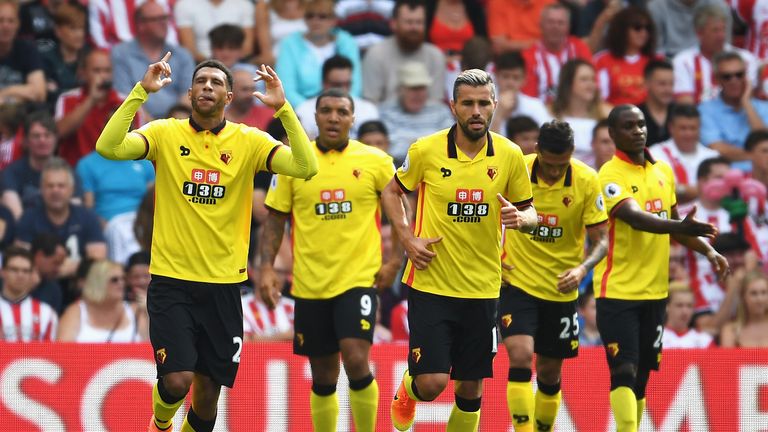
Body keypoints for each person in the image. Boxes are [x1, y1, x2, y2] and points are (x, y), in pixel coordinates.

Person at [95, 52, 318, 432]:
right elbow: (109, 147)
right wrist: (139, 93)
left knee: (206, 396)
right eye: (201, 81)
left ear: (229, 97)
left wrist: (283, 110)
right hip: (172, 281)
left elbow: (305, 167)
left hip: (224, 285)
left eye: (216, 82)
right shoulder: (165, 133)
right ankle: (161, 424)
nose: (208, 87)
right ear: (190, 90)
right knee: (177, 380)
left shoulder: (249, 141)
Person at [382, 69, 537, 432]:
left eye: (484, 103)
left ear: (495, 105)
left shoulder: (511, 155)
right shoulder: (425, 150)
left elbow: (530, 211)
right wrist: (407, 239)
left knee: (470, 386)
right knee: (432, 383)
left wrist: (522, 218)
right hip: (432, 283)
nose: (476, 111)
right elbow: (392, 191)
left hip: (483, 286)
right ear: (453, 107)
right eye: (468, 103)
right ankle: (408, 389)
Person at [260, 87, 401, 432]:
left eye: (342, 111)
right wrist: (266, 267)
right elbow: (276, 218)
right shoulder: (295, 163)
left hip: (358, 279)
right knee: (323, 373)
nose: (334, 117)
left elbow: (400, 212)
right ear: (316, 117)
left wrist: (394, 261)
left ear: (353, 118)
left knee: (355, 357)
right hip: (310, 284)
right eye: (327, 111)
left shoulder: (376, 161)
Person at [594, 104, 729, 431]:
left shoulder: (663, 171)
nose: (638, 130)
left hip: (656, 292)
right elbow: (637, 219)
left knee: (640, 376)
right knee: (623, 370)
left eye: (640, 124)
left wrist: (708, 251)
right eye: (628, 126)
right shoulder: (610, 175)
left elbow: (674, 223)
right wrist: (680, 227)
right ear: (613, 135)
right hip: (618, 291)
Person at [500, 120, 608, 432]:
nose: (553, 172)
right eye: (548, 164)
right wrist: (494, 258)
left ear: (572, 154)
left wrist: (582, 269)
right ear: (537, 151)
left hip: (561, 288)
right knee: (519, 355)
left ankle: (542, 428)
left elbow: (602, 238)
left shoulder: (586, 180)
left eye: (561, 166)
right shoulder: (516, 169)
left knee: (548, 373)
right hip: (517, 281)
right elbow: (487, 218)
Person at [16, 157, 107, 278]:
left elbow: (98, 261)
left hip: (79, 285)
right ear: (41, 189)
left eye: (61, 186)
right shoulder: (29, 218)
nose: (55, 190)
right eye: (50, 186)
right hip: (39, 284)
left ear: (72, 190)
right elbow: (22, 260)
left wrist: (56, 268)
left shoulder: (87, 217)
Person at [55, 49, 143, 167]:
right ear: (83, 73)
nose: (103, 76)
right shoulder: (68, 99)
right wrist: (91, 99)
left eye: (107, 71)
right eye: (97, 71)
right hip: (76, 173)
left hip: (115, 171)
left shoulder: (127, 102)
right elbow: (59, 132)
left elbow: (138, 143)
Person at [111, 1, 195, 120]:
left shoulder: (182, 55)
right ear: (141, 24)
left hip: (176, 125)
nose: (163, 23)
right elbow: (124, 97)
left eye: (165, 18)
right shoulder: (121, 54)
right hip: (138, 127)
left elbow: (188, 96)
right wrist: (152, 128)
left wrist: (171, 127)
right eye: (157, 19)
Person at [276, 0, 362, 107]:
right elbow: (286, 89)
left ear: (334, 20)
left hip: (343, 105)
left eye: (322, 16)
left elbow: (355, 85)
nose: (315, 21)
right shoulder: (290, 43)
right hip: (302, 108)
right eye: (310, 16)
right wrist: (310, 110)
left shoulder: (346, 41)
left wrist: (344, 106)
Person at [362, 0, 446, 104]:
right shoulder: (375, 54)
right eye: (409, 22)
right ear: (393, 24)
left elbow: (436, 102)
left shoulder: (435, 56)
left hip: (428, 118)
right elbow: (371, 102)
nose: (414, 28)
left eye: (419, 22)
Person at [672, 5, 757, 105]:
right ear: (699, 33)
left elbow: (750, 100)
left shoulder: (746, 59)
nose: (721, 36)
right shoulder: (683, 62)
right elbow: (685, 105)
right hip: (699, 118)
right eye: (715, 30)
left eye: (723, 29)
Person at [699, 52, 768, 170]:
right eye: (727, 76)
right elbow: (718, 149)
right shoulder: (705, 110)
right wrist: (758, 155)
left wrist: (746, 103)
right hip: (727, 177)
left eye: (739, 75)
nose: (734, 80)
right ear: (717, 79)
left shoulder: (764, 107)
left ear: (745, 76)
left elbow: (764, 141)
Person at [379, 61, 453, 164]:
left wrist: (411, 144)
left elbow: (450, 145)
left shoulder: (440, 111)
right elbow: (389, 149)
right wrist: (428, 145)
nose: (418, 94)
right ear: (400, 90)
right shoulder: (386, 112)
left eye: (422, 88)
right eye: (413, 88)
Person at [57, 259, 148, 342]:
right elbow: (64, 352)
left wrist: (148, 312)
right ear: (98, 282)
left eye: (123, 279)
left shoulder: (136, 312)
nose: (121, 283)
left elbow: (150, 349)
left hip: (130, 361)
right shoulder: (77, 312)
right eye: (114, 280)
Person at [521, 3, 592, 104]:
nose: (555, 27)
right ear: (541, 25)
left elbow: (592, 86)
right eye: (550, 22)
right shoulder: (529, 56)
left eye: (561, 23)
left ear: (568, 27)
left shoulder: (580, 49)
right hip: (543, 115)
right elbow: (529, 100)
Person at [295, 55, 379, 139]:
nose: (343, 89)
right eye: (337, 85)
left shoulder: (368, 110)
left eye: (347, 84)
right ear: (324, 83)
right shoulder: (303, 111)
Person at [649, 104, 719, 204]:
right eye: (683, 128)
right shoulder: (655, 153)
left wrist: (682, 190)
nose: (688, 134)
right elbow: (658, 188)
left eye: (693, 128)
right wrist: (701, 190)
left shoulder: (713, 157)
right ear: (671, 128)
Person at [551, 59, 612, 167]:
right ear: (568, 83)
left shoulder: (607, 113)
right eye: (584, 79)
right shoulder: (550, 113)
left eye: (593, 80)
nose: (591, 85)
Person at [594, 7, 658, 106]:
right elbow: (599, 99)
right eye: (637, 27)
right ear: (622, 30)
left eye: (647, 28)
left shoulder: (657, 61)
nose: (643, 33)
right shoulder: (603, 60)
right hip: (613, 116)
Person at [2, 111, 59, 220]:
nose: (42, 140)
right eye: (36, 136)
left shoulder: (68, 173)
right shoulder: (11, 173)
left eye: (47, 135)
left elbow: (75, 212)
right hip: (24, 233)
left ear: (56, 139)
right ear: (26, 141)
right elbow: (17, 218)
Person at [0, 246, 58, 341]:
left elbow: (50, 353)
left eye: (25, 271)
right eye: (14, 269)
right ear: (2, 272)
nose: (20, 275)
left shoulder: (47, 313)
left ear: (32, 274)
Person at [39, 3, 88, 109]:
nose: (79, 34)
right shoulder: (46, 59)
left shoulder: (89, 57)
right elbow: (46, 95)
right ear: (58, 31)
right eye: (73, 28)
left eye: (81, 28)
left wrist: (58, 90)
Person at [489, 51, 551, 134]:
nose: (510, 83)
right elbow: (487, 145)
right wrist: (499, 115)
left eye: (516, 77)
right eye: (505, 76)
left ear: (524, 79)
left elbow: (547, 137)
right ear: (496, 76)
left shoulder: (535, 106)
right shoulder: (485, 105)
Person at [174, 0, 254, 63]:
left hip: (237, 63)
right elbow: (189, 50)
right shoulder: (185, 4)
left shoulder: (244, 5)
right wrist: (212, 65)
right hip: (199, 64)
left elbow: (247, 48)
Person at [0, 0, 46, 104]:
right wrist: (22, 92)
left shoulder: (27, 49)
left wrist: (7, 92)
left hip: (20, 115)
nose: (6, 26)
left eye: (11, 21)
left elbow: (39, 92)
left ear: (18, 25)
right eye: (0, 20)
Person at [648, 0, 731, 57]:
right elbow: (657, 50)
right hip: (669, 64)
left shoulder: (719, 6)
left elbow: (725, 46)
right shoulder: (657, 7)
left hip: (711, 60)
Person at [719, 269, 768, 347]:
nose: (760, 299)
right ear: (743, 297)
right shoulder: (731, 331)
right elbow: (727, 359)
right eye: (754, 293)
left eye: (764, 292)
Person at [638, 60, 674, 146]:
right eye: (662, 84)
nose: (668, 89)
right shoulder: (634, 116)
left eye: (671, 84)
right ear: (646, 84)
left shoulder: (680, 113)